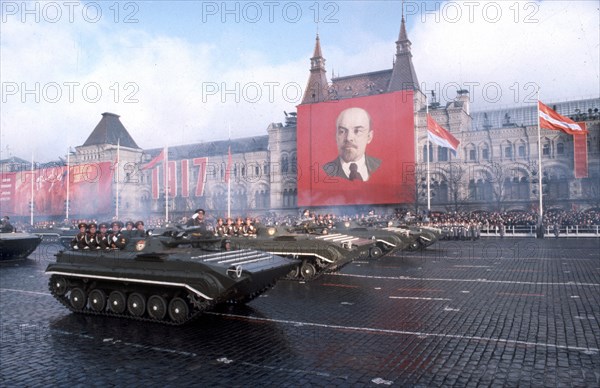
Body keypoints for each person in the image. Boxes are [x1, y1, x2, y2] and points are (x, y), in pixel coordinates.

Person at [323, 107, 381, 181]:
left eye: (357, 131)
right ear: (336, 136)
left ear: (369, 137)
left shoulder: (380, 167)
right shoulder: (325, 171)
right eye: (342, 131)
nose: (348, 138)